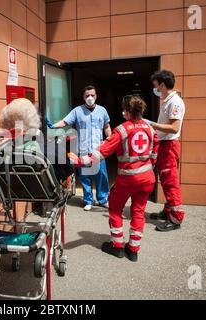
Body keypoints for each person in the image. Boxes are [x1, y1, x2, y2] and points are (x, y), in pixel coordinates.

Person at [68, 96, 158, 262]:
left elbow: (101, 152)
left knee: (115, 209)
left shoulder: (122, 130)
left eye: (124, 109)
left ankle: (117, 247)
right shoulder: (150, 129)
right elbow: (154, 153)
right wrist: (149, 167)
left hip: (129, 178)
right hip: (148, 178)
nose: (122, 112)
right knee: (138, 212)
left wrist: (79, 161)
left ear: (128, 111)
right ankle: (133, 250)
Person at [47, 85, 111, 211]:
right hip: (83, 149)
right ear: (83, 97)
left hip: (99, 149)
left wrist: (111, 139)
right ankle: (88, 200)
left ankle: (102, 199)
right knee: (85, 176)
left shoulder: (102, 110)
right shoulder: (77, 111)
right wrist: (53, 126)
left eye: (92, 95)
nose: (90, 98)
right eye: (87, 96)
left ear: (96, 96)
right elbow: (65, 122)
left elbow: (107, 126)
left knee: (101, 175)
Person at [149, 70, 186, 232]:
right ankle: (168, 211)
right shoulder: (167, 101)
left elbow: (174, 127)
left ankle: (176, 218)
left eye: (156, 85)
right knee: (165, 179)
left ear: (162, 84)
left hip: (169, 145)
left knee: (170, 181)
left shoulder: (175, 102)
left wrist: (152, 125)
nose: (155, 88)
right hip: (164, 145)